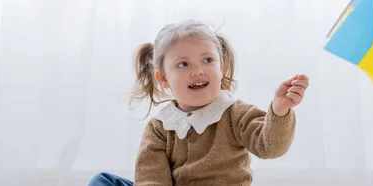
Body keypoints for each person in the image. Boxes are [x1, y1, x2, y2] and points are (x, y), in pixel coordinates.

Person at [88, 19, 309, 186]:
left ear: (220, 67)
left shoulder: (235, 112)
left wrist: (280, 111)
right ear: (163, 78)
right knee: (103, 181)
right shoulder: (160, 127)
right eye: (183, 64)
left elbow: (270, 147)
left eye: (207, 60)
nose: (198, 70)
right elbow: (151, 178)